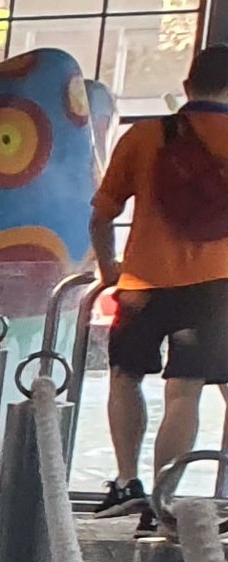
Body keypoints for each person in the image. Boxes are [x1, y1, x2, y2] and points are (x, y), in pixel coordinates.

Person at [90, 46, 228, 526]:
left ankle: (128, 483)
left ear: (187, 88)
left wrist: (110, 273)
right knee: (184, 392)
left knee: (126, 377)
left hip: (143, 284)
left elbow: (102, 215)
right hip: (216, 289)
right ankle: (162, 503)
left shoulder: (145, 136)